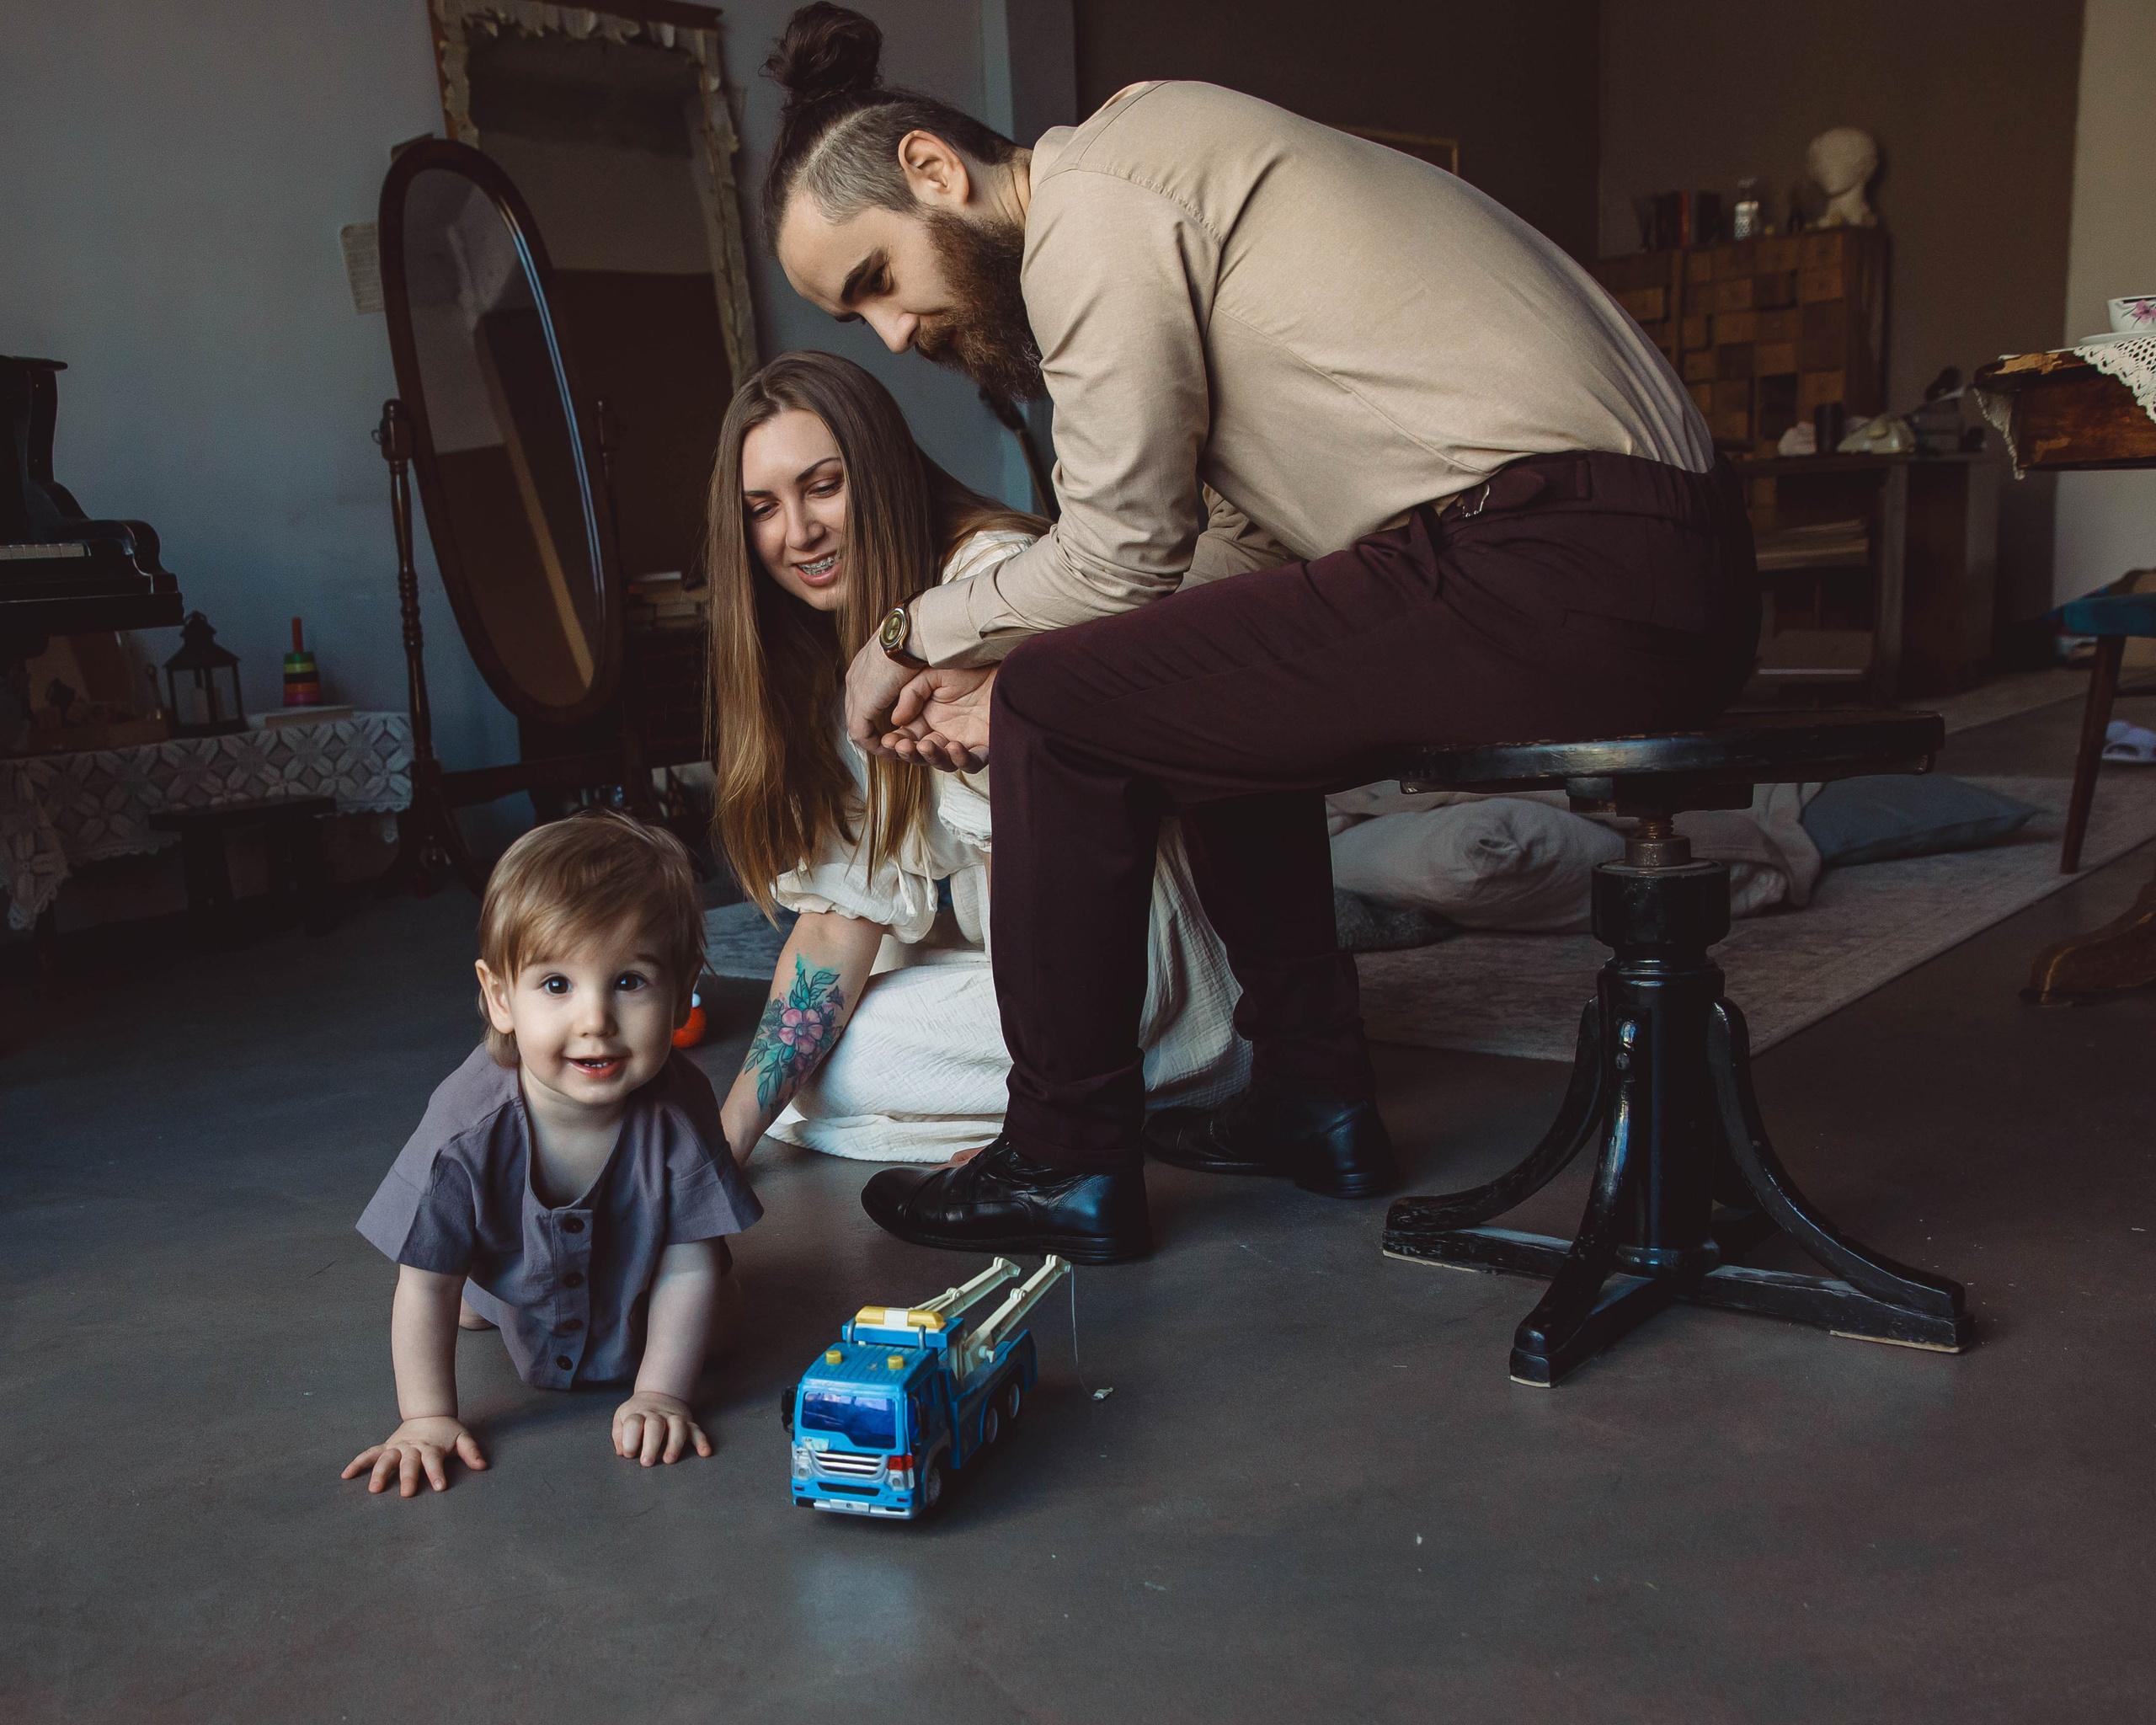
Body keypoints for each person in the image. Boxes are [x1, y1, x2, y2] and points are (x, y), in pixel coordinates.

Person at [761, 7, 1759, 1263]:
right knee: (1185, 682)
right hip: (1631, 565)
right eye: (863, 323)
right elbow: (1206, 569)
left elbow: (1119, 543)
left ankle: (1062, 1156)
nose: (900, 336)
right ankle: (1313, 1097)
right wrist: (999, 665)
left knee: (1063, 711)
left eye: (879, 284)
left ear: (932, 171)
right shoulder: (1158, 198)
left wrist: (908, 637)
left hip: (1565, 555)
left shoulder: (1102, 197)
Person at [704, 350, 1246, 1176]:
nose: (797, 531)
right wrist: (721, 1141)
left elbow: (1035, 843)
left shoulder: (986, 574)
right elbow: (834, 918)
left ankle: (1111, 1099)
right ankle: (1112, 1101)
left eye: (822, 485)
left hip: (1137, 964)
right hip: (1040, 967)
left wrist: (1042, 1118)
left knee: (839, 1065)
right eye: (762, 507)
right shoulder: (820, 653)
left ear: (879, 474)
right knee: (798, 1062)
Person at [344, 810, 760, 1497]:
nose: (594, 1020)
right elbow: (423, 1283)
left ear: (684, 987)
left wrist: (660, 1393)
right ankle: (495, 1291)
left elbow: (688, 1264)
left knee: (721, 1322)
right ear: (501, 998)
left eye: (629, 981)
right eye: (557, 985)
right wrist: (426, 1418)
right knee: (462, 1296)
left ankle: (583, 1318)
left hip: (642, 1267)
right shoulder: (463, 1128)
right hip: (501, 1259)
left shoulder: (680, 1110)